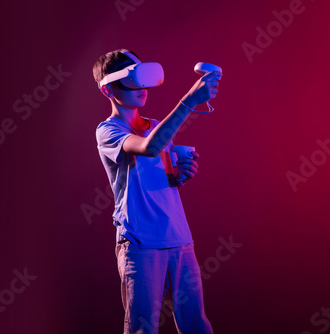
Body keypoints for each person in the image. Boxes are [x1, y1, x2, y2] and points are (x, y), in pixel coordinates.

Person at [93, 49, 221, 334]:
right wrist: (189, 101)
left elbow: (165, 177)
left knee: (196, 325)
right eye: (130, 81)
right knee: (143, 329)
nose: (140, 89)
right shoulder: (108, 131)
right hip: (140, 244)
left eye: (141, 79)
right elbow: (148, 147)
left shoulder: (156, 127)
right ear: (107, 89)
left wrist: (180, 175)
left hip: (178, 238)